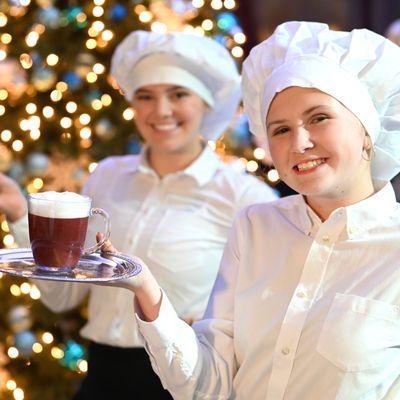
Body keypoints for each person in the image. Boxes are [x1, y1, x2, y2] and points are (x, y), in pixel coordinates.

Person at [94, 21, 400, 399]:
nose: (299, 142)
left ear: (367, 130)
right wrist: (146, 288)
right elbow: (209, 384)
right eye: (280, 130)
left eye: (319, 118)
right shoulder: (256, 226)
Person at [3, 31, 278, 399]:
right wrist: (19, 211)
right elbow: (62, 296)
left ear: (208, 104)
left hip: (184, 384)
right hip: (102, 377)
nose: (160, 111)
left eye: (179, 94)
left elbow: (270, 311)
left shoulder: (246, 196)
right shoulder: (108, 176)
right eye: (145, 96)